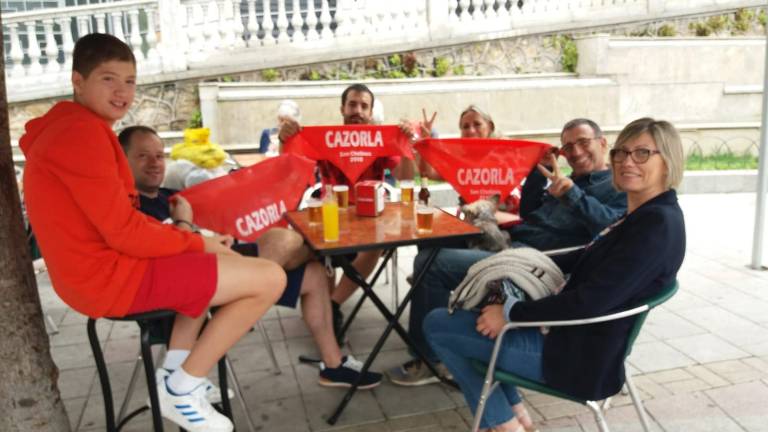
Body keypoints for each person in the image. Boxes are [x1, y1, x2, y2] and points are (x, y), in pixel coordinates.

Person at [20, 33, 285, 432]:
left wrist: (190, 237)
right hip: (106, 279)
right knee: (270, 278)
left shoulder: (75, 127)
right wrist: (197, 239)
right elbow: (124, 233)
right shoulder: (80, 134)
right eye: (108, 79)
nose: (122, 91)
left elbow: (119, 222)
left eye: (129, 80)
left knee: (212, 260)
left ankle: (176, 372)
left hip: (97, 271)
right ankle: (181, 389)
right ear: (78, 81)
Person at [423, 117, 686, 431]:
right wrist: (514, 263)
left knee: (439, 324)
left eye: (642, 153)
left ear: (668, 162)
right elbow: (583, 257)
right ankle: (515, 416)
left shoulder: (656, 226)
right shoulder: (646, 215)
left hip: (576, 357)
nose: (627, 161)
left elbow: (590, 301)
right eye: (622, 153)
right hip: (575, 338)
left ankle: (505, 424)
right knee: (473, 316)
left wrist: (511, 313)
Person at [118, 125, 382, 389]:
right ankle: (262, 282)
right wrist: (188, 225)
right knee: (288, 242)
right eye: (143, 156)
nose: (154, 163)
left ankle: (333, 365)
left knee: (309, 270)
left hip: (220, 263)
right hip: (187, 289)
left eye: (159, 156)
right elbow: (164, 253)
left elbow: (218, 215)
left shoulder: (173, 198)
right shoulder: (127, 206)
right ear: (122, 159)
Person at [388, 117, 627, 386]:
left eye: (583, 143)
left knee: (431, 263)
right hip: (509, 243)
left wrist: (574, 196)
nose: (575, 152)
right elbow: (529, 214)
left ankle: (430, 359)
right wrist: (539, 173)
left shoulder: (615, 187)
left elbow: (611, 228)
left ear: (603, 143)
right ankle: (447, 324)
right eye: (568, 147)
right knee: (432, 239)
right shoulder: (568, 179)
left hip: (533, 262)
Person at [278, 83, 414, 340]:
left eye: (364, 106)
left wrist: (405, 147)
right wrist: (285, 140)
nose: (358, 110)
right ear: (342, 108)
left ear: (371, 112)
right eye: (352, 104)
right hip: (333, 217)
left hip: (371, 217)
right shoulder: (324, 138)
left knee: (376, 242)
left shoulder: (381, 140)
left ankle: (332, 305)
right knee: (320, 250)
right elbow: (288, 169)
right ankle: (328, 313)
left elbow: (405, 178)